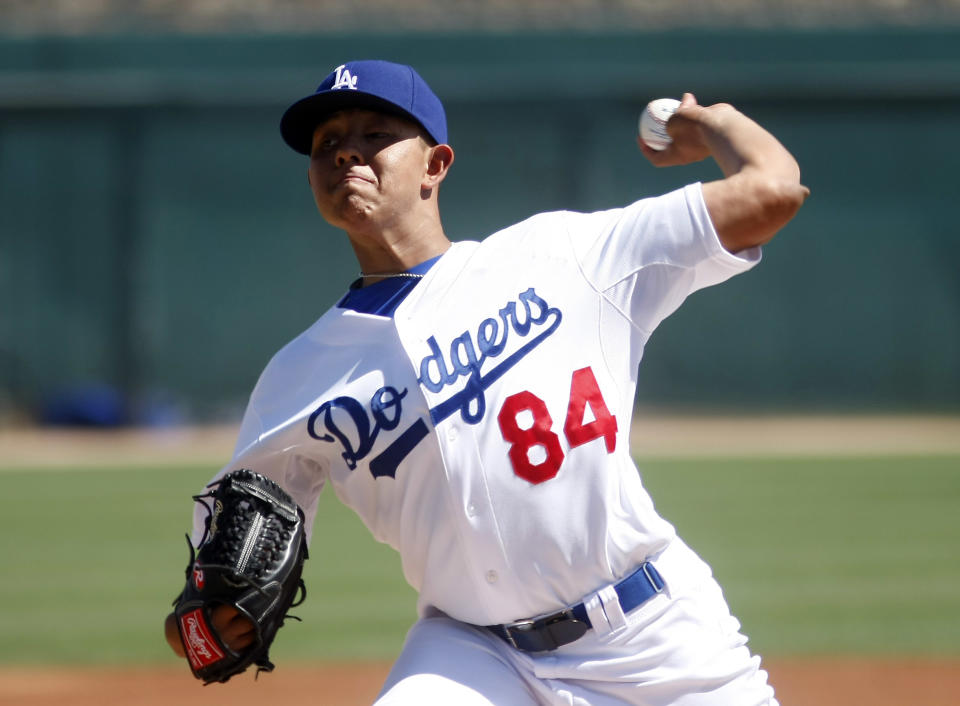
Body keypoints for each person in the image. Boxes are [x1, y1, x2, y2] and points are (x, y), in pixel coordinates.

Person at [164, 59, 808, 705]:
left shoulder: (564, 256)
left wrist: (711, 123)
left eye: (374, 133)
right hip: (474, 653)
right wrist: (208, 620)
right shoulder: (297, 377)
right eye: (327, 144)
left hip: (654, 640)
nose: (346, 153)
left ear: (436, 164)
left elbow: (773, 191)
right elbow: (208, 597)